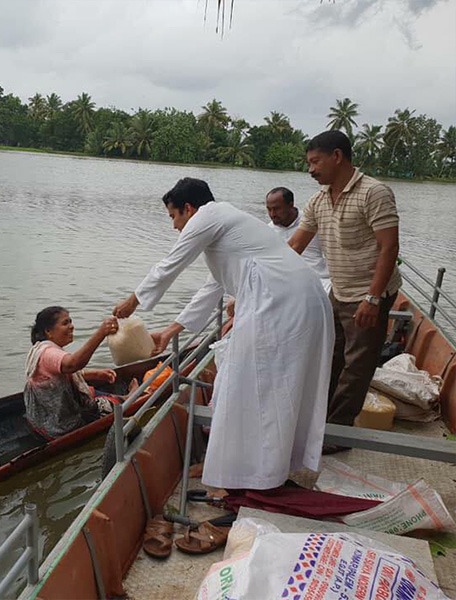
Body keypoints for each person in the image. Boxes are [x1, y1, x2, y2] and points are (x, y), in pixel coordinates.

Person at [114, 178, 334, 490]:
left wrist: (133, 301)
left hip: (281, 302)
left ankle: (256, 472)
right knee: (256, 383)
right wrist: (172, 330)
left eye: (173, 217)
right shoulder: (224, 223)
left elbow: (170, 264)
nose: (175, 226)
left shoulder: (207, 217)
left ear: (189, 209)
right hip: (287, 299)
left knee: (251, 382)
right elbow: (214, 286)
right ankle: (257, 467)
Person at [289, 130, 401, 429]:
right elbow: (296, 246)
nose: (310, 170)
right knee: (329, 355)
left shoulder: (373, 192)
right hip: (338, 290)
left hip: (369, 293)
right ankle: (319, 420)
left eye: (315, 162)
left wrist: (373, 299)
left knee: (356, 366)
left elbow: (389, 247)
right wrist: (259, 275)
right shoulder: (318, 200)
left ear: (337, 156)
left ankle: (338, 432)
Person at [24, 306, 136, 439]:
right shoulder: (48, 353)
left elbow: (60, 375)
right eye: (65, 323)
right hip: (59, 425)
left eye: (70, 321)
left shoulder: (41, 349)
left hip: (43, 419)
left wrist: (95, 374)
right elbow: (72, 364)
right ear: (48, 331)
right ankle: (128, 398)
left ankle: (124, 398)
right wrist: (101, 333)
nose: (71, 326)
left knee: (90, 391)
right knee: (104, 404)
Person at [265, 186, 331, 294]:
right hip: (287, 282)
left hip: (321, 280)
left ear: (290, 205)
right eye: (269, 209)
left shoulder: (311, 221)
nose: (272, 214)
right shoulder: (268, 231)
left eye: (277, 209)